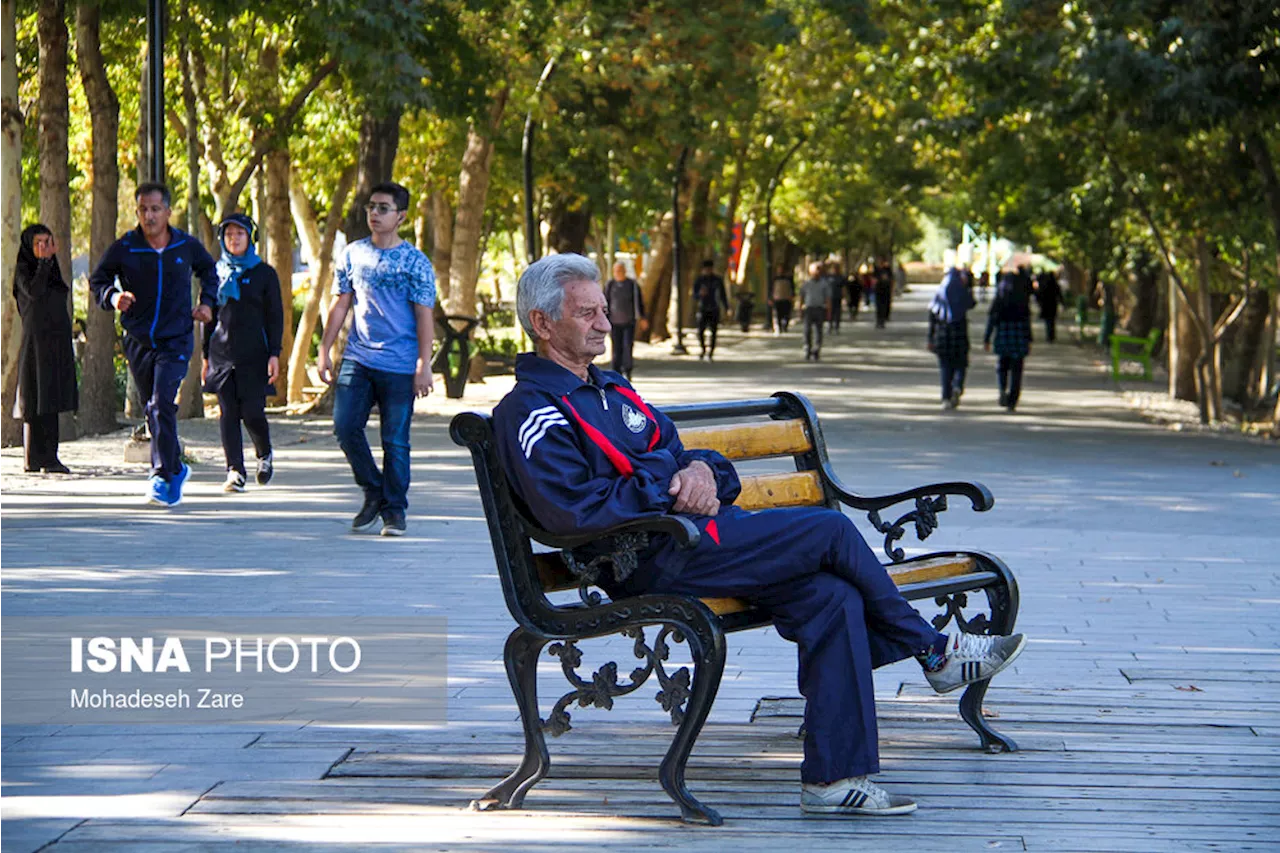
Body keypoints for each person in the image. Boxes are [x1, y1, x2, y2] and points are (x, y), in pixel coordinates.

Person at [493, 253, 1026, 817]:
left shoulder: (614, 390)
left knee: (832, 595)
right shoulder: (531, 410)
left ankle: (832, 781)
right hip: (645, 557)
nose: (604, 323)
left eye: (604, 310)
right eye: (587, 313)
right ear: (542, 322)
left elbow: (695, 460)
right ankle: (934, 650)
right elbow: (572, 511)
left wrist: (697, 473)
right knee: (830, 530)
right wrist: (669, 481)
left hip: (703, 537)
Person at [317, 181, 436, 537]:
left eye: (383, 208)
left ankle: (394, 511)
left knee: (395, 440)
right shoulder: (353, 253)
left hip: (399, 364)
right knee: (344, 427)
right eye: (371, 207)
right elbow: (341, 303)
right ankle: (373, 489)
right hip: (358, 357)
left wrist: (424, 364)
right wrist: (324, 349)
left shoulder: (415, 261)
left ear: (400, 216)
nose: (374, 213)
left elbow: (424, 315)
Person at [90, 182, 218, 506]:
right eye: (143, 209)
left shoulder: (185, 246)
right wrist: (114, 296)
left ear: (168, 212)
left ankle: (161, 475)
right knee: (153, 410)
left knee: (162, 404)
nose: (148, 216)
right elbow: (98, 281)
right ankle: (175, 466)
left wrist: (208, 303)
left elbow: (209, 271)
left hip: (176, 338)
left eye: (155, 209)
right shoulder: (126, 247)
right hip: (138, 339)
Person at [201, 214, 283, 493]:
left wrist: (275, 354)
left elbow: (275, 317)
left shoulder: (264, 274)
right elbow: (208, 318)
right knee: (227, 413)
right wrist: (204, 358)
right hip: (221, 355)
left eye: (239, 234)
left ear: (250, 238)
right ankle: (234, 470)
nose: (233, 239)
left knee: (252, 412)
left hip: (255, 355)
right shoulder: (216, 274)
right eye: (228, 234)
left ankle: (264, 453)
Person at [12, 224, 77, 473]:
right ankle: (33, 457)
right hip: (35, 342)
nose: (43, 248)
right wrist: (42, 263)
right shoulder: (24, 269)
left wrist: (49, 263)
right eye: (38, 242)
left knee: (51, 396)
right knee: (33, 397)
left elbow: (58, 293)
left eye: (47, 242)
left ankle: (50, 456)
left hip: (55, 341)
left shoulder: (52, 269)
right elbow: (34, 291)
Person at [928, 265, 977, 411]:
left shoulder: (940, 293)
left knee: (945, 367)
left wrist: (930, 338)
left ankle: (946, 397)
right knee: (961, 364)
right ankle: (957, 386)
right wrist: (966, 286)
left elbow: (932, 317)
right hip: (960, 333)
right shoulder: (962, 292)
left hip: (943, 334)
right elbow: (972, 303)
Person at [984, 272, 1033, 411]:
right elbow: (1027, 321)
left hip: (1003, 335)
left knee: (1002, 366)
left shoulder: (999, 299)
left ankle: (1002, 389)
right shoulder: (1022, 300)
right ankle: (1013, 400)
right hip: (1018, 336)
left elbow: (992, 320)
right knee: (1017, 370)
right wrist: (1029, 339)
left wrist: (987, 338)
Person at [604, 261, 644, 379]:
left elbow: (639, 303)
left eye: (620, 270)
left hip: (629, 322)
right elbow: (605, 303)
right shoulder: (610, 285)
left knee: (628, 346)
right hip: (614, 322)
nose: (618, 273)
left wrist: (642, 318)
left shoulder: (632, 285)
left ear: (625, 271)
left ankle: (628, 370)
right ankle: (616, 371)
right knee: (616, 347)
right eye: (616, 271)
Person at [691, 259, 728, 360]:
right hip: (702, 308)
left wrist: (726, 307)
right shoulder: (699, 280)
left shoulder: (717, 280)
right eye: (706, 269)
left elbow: (722, 295)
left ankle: (711, 351)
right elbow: (694, 295)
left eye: (709, 269)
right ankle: (703, 349)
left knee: (714, 331)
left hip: (714, 308)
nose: (708, 271)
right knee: (700, 331)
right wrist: (700, 294)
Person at [799, 262, 830, 361]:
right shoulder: (806, 284)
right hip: (809, 309)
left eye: (818, 269)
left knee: (818, 331)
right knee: (807, 330)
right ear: (810, 271)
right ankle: (807, 348)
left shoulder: (824, 284)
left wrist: (828, 311)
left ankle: (816, 349)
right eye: (814, 269)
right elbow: (801, 297)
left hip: (820, 309)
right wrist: (800, 310)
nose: (816, 271)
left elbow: (828, 298)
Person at [769, 264, 795, 334]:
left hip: (786, 299)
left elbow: (792, 289)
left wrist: (792, 297)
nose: (780, 271)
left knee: (786, 313)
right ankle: (779, 327)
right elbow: (771, 289)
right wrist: (771, 298)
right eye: (779, 269)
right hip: (777, 299)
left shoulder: (789, 279)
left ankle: (785, 326)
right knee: (778, 314)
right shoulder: (775, 279)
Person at [873, 259, 894, 328]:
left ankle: (883, 320)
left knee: (884, 306)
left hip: (886, 291)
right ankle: (879, 320)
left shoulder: (887, 269)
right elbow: (873, 279)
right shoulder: (876, 270)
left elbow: (891, 279)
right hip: (878, 290)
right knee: (878, 306)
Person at [826, 262, 844, 334]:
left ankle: (836, 327)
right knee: (830, 312)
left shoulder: (841, 277)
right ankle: (830, 326)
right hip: (830, 297)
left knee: (838, 313)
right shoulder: (829, 277)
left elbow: (843, 287)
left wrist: (844, 296)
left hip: (838, 297)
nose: (835, 270)